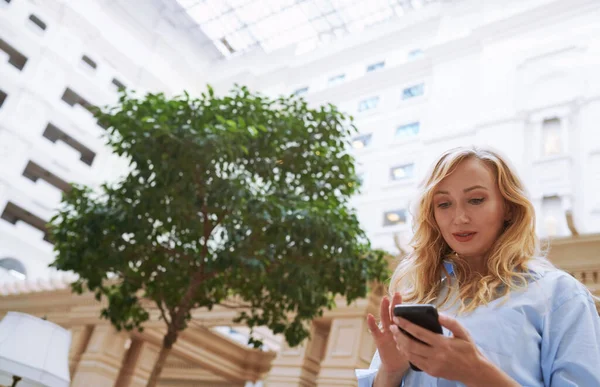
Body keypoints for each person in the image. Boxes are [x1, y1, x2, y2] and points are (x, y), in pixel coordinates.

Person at [356, 146, 600, 386]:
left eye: (475, 200)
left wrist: (477, 373)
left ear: (508, 208)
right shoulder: (419, 300)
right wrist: (389, 372)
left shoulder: (559, 296)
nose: (459, 218)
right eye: (444, 204)